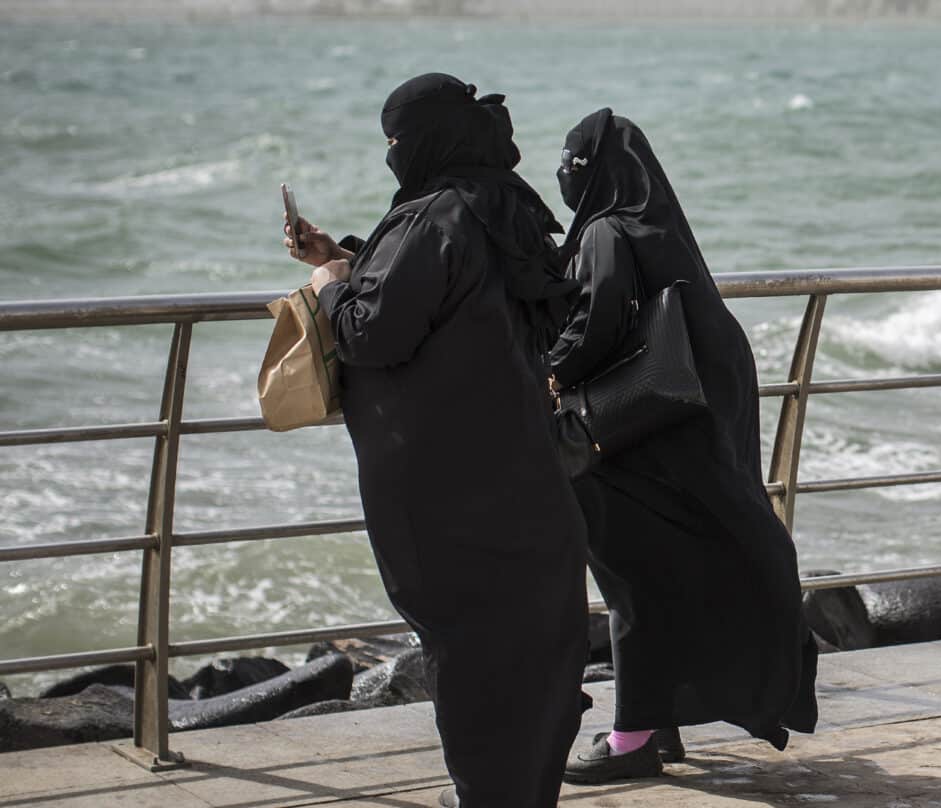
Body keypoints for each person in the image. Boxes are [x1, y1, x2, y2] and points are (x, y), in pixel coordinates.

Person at [282, 74, 588, 808]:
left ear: (422, 141)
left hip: (446, 484)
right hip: (523, 467)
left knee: (468, 642)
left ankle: (488, 794)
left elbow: (372, 332)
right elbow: (456, 292)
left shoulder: (428, 218)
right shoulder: (506, 206)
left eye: (395, 142)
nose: (392, 155)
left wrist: (328, 282)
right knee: (531, 638)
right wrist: (350, 256)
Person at [548, 108, 819, 784]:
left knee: (635, 585)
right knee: (667, 576)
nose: (561, 175)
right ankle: (656, 723)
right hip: (680, 453)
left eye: (568, 163)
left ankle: (634, 740)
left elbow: (596, 324)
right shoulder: (663, 236)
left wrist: (548, 368)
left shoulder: (606, 232)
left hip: (626, 450)